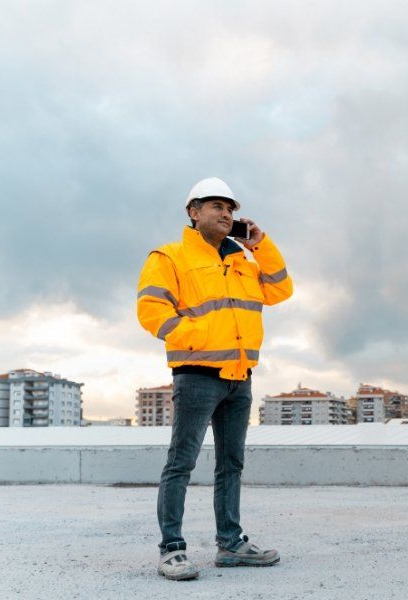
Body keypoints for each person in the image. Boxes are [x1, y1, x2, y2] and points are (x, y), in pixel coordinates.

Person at [137, 177, 293, 580]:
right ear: (194, 212)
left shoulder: (243, 258)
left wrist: (260, 243)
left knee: (231, 464)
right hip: (196, 375)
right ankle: (171, 548)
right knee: (181, 463)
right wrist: (198, 339)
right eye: (216, 207)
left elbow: (281, 290)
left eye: (231, 209)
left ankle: (231, 544)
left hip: (239, 377)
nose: (226, 214)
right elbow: (151, 310)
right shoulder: (170, 256)